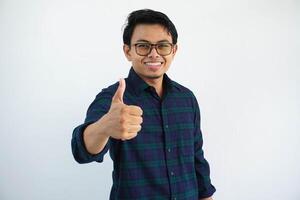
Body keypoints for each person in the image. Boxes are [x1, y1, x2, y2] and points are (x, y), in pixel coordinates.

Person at [71, 9, 216, 200]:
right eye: (143, 46)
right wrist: (105, 126)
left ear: (174, 50)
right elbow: (81, 151)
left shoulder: (187, 99)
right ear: (128, 51)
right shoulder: (114, 98)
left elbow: (197, 158)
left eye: (162, 46)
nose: (154, 54)